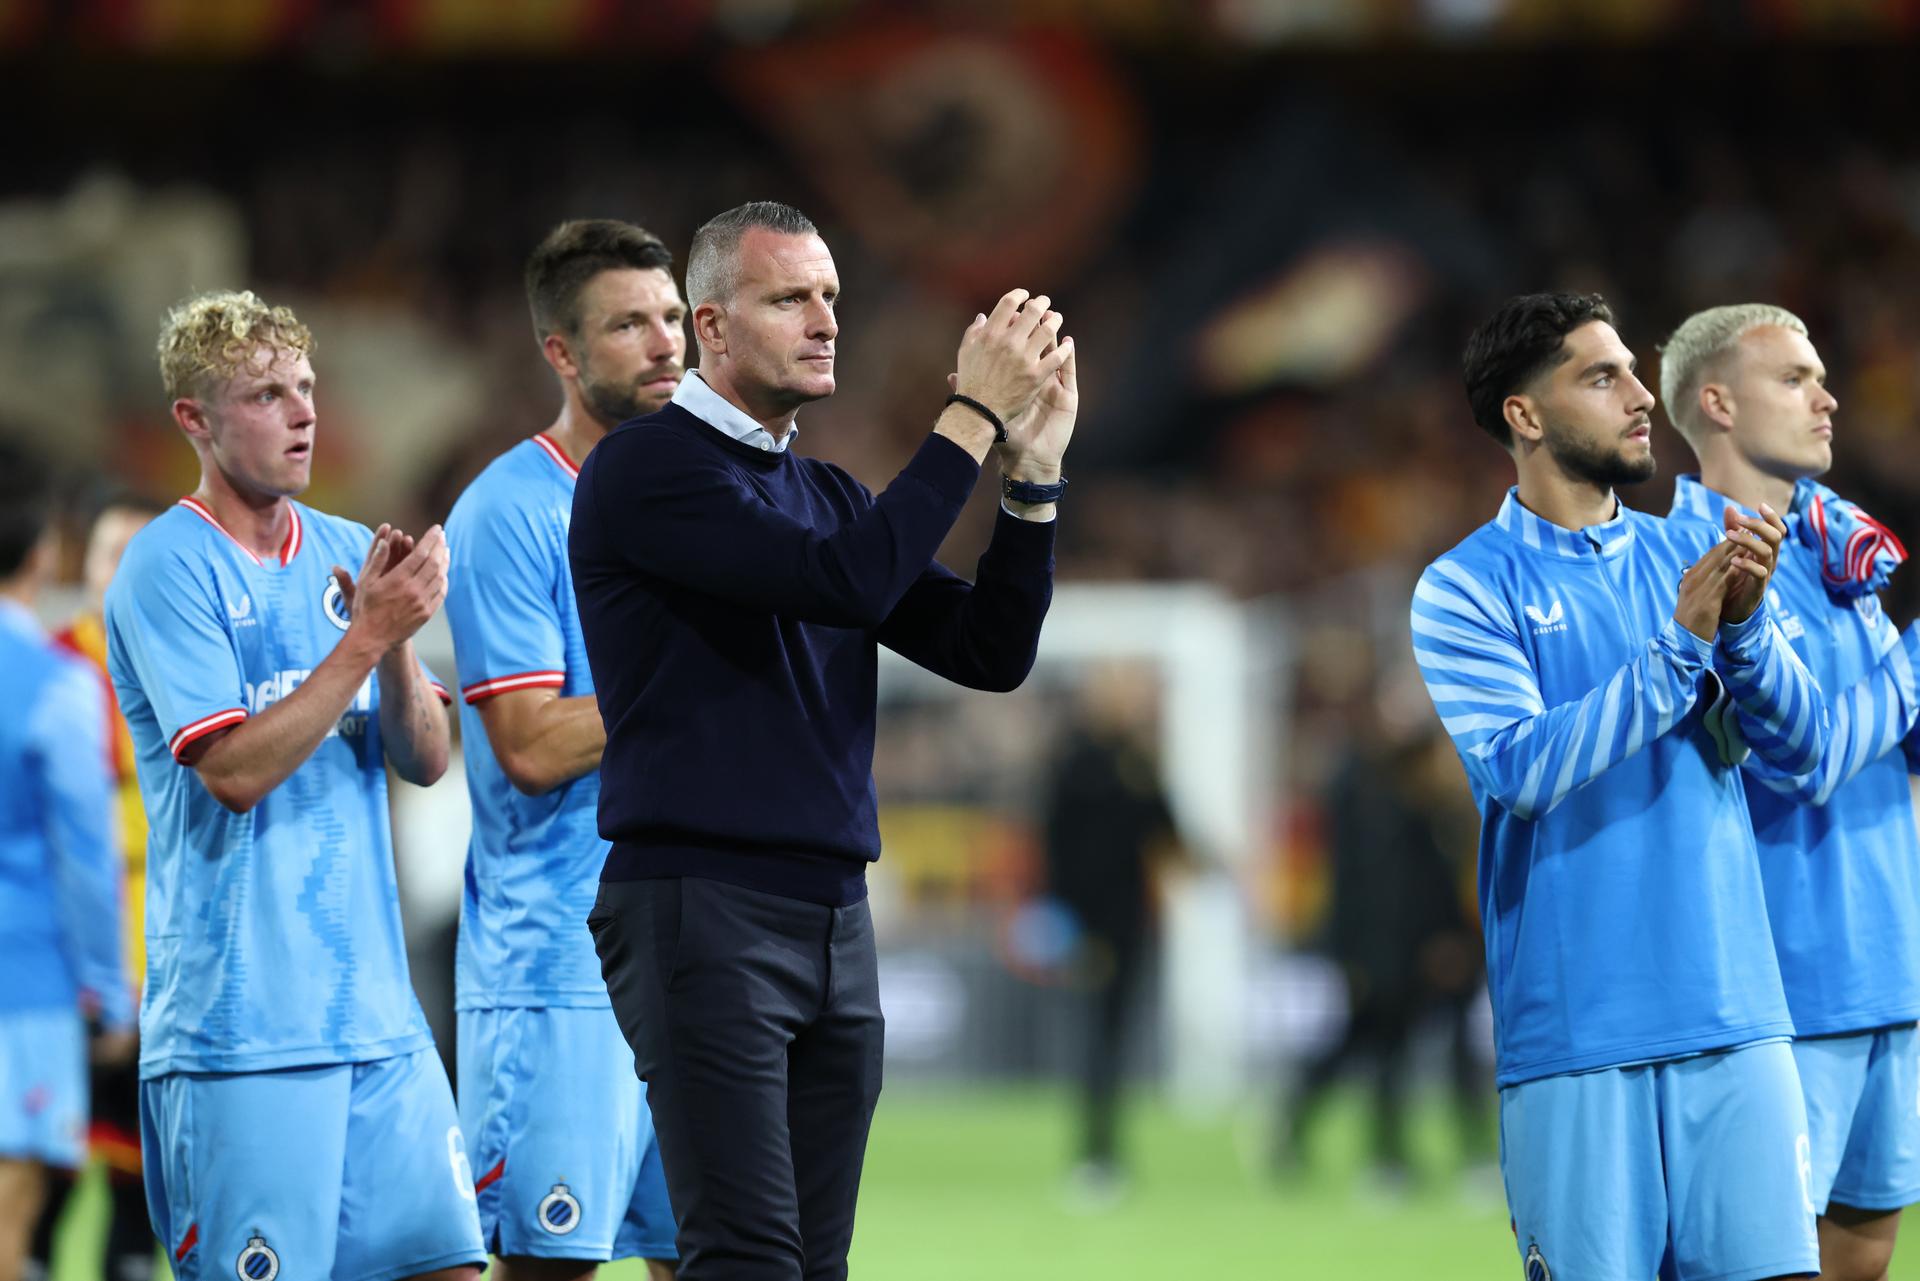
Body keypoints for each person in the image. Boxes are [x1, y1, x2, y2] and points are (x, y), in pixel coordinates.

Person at [574, 200, 1076, 1281]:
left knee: (813, 1266)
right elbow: (843, 583)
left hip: (836, 915)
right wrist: (968, 415)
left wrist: (1030, 482)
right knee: (748, 1260)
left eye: (832, 297)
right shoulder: (646, 468)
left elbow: (988, 651)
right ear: (712, 326)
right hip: (703, 903)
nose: (826, 321)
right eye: (790, 298)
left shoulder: (829, 494)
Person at [1411, 292, 1828, 1280]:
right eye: (1603, 377)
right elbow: (1522, 768)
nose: (1642, 397)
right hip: (1578, 1035)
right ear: (1524, 414)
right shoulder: (1466, 587)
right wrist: (1682, 644)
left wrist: (1744, 634)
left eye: (1636, 372)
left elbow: (1805, 751)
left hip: (1736, 1017)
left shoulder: (1695, 549)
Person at [103, 290, 485, 1281]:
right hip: (241, 1033)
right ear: (195, 418)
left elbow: (425, 758)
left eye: (307, 388)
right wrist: (365, 638)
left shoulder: (347, 551)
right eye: (268, 395)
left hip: (378, 1019)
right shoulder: (166, 566)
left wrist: (394, 648)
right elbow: (232, 772)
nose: (304, 412)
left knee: (448, 1266)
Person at [446, 220, 683, 1281]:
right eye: (628, 324)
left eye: (672, 316)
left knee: (720, 1256)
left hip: (695, 949)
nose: (665, 343)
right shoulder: (511, 512)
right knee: (552, 1265)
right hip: (560, 967)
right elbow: (533, 744)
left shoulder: (700, 498)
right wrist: (705, 672)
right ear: (562, 351)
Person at [1663, 303, 1920, 1281]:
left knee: (1864, 1251)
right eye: (1795, 378)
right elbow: (1808, 757)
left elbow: (1897, 748)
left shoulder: (1838, 547)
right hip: (1780, 989)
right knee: (1761, 1263)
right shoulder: (1693, 562)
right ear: (1719, 403)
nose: (1828, 396)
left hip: (1887, 971)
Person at [0, 439, 133, 1281]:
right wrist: (111, 993)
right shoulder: (55, 685)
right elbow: (86, 857)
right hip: (23, 986)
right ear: (44, 552)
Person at [26, 492, 165, 1281]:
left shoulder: (190, 675)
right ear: (85, 565)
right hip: (64, 965)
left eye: (141, 558)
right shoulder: (48, 670)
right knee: (39, 1175)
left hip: (166, 963)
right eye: (112, 555)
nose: (123, 575)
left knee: (140, 1183)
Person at [1038, 662, 1181, 1204]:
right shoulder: (1075, 764)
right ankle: (1094, 1153)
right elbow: (1056, 848)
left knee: (1115, 1040)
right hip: (1091, 924)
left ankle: (1106, 1152)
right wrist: (1074, 926)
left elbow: (1164, 827)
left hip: (1133, 921)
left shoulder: (1137, 762)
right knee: (1096, 1040)